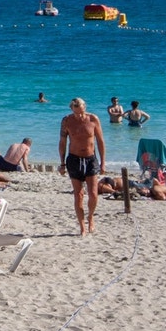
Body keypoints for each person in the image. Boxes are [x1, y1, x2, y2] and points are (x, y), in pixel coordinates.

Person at [59, 98, 105, 236]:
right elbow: (62, 142)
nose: (79, 115)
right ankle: (82, 226)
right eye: (76, 112)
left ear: (85, 107)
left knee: (93, 194)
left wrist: (103, 162)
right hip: (74, 160)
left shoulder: (93, 119)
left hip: (90, 160)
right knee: (78, 195)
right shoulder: (67, 121)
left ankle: (90, 217)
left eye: (81, 111)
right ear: (72, 109)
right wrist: (62, 163)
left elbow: (100, 141)